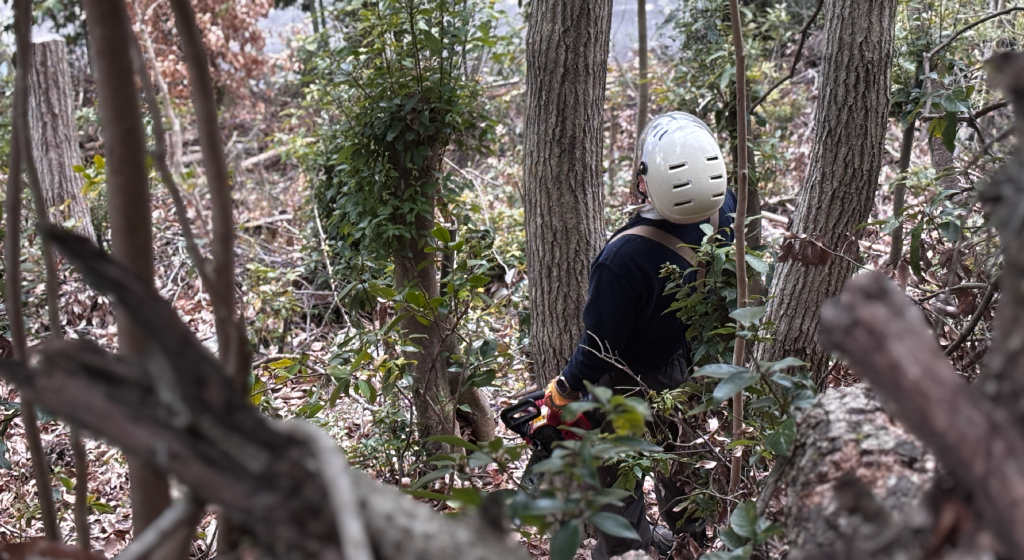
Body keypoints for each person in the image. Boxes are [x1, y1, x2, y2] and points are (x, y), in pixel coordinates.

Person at [543, 112, 738, 560]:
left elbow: (599, 348)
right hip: (689, 364)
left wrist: (565, 388)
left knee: (615, 478)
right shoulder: (726, 207)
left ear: (645, 182)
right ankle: (691, 543)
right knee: (682, 459)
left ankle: (627, 550)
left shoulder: (624, 257)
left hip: (627, 382)